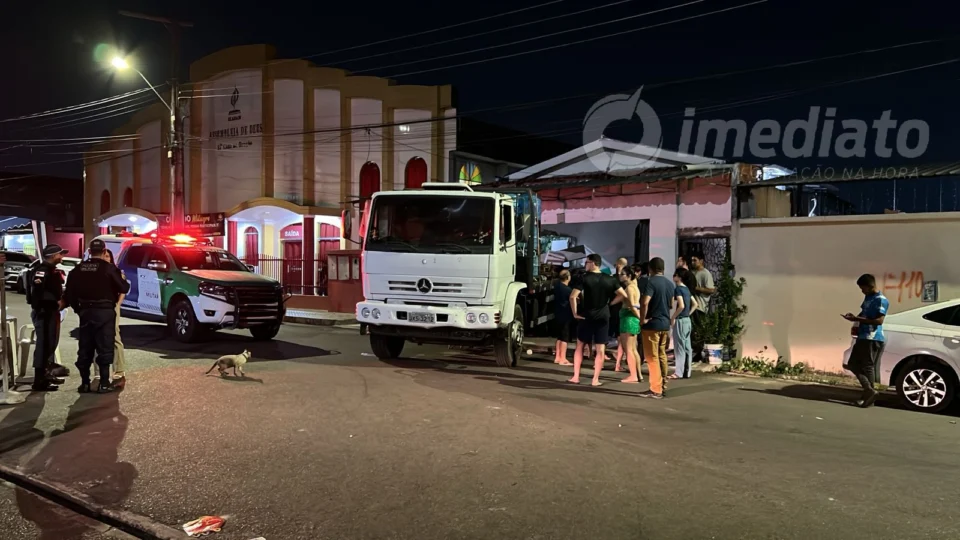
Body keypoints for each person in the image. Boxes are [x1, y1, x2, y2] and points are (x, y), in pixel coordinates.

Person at [64, 239, 131, 394]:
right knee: (105, 346)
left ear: (89, 250)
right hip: (105, 311)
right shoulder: (109, 269)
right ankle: (104, 383)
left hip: (85, 312)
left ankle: (85, 383)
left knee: (85, 347)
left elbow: (70, 292)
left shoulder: (78, 269)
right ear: (103, 250)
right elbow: (124, 287)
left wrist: (78, 309)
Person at [568, 254, 623, 386]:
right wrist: (610, 304)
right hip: (603, 315)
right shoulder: (610, 279)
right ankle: (595, 379)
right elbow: (623, 295)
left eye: (587, 262)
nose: (585, 265)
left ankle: (576, 376)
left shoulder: (583, 278)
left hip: (587, 314)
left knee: (580, 346)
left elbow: (572, 296)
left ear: (593, 263)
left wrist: (575, 313)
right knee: (600, 348)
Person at [26, 244, 71, 391]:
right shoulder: (42, 271)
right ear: (52, 256)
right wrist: (50, 305)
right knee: (44, 345)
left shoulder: (50, 270)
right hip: (45, 312)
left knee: (50, 344)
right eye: (60, 254)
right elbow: (38, 294)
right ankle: (39, 379)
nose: (62, 257)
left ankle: (45, 375)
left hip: (50, 312)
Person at [843, 274, 890, 408]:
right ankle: (869, 391)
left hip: (872, 337)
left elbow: (879, 321)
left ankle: (869, 393)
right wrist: (854, 317)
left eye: (863, 288)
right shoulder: (868, 298)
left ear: (870, 286)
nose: (862, 291)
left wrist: (857, 320)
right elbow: (864, 314)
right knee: (853, 364)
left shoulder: (881, 300)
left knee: (867, 366)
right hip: (863, 336)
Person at [638, 257, 676, 399]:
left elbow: (645, 302)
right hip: (665, 324)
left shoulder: (651, 282)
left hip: (652, 324)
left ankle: (655, 389)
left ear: (650, 269)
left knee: (651, 357)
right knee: (661, 355)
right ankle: (662, 384)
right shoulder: (669, 284)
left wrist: (642, 319)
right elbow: (672, 304)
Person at [611, 265, 643, 384]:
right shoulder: (633, 287)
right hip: (631, 319)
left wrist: (640, 318)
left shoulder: (630, 288)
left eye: (622, 274)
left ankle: (633, 375)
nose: (620, 276)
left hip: (629, 319)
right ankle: (638, 374)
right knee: (633, 349)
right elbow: (619, 297)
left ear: (629, 276)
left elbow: (632, 306)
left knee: (628, 349)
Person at [104, 249, 127, 381]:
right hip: (99, 307)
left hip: (112, 306)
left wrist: (118, 304)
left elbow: (123, 289)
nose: (106, 258)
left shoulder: (116, 272)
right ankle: (99, 371)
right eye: (104, 256)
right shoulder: (97, 271)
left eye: (108, 256)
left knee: (114, 336)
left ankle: (119, 369)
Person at [670, 268, 695, 379]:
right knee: (687, 347)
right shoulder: (687, 289)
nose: (673, 276)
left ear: (678, 277)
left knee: (679, 347)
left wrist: (673, 317)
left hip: (680, 320)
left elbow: (681, 305)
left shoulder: (678, 289)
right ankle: (687, 372)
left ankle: (678, 372)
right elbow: (695, 304)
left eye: (675, 275)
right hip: (687, 320)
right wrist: (688, 314)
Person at [689, 255, 715, 362]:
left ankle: (699, 353)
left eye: (695, 260)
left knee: (698, 330)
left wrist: (696, 289)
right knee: (691, 330)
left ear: (701, 261)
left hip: (700, 306)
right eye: (692, 260)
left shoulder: (705, 273)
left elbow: (711, 290)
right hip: (691, 306)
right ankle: (693, 352)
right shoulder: (691, 273)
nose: (693, 262)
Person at [553, 270, 574, 366]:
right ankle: (563, 358)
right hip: (565, 314)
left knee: (559, 337)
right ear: (568, 277)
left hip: (557, 313)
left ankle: (557, 357)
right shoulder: (568, 290)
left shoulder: (557, 286)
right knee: (565, 337)